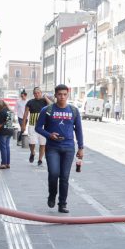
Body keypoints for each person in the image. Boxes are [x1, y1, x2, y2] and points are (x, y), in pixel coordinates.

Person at [34, 84, 84, 213]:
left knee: (64, 177)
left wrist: (81, 147)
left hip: (69, 148)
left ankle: (62, 204)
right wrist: (49, 135)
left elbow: (78, 130)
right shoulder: (48, 109)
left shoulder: (73, 110)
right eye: (59, 94)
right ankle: (52, 195)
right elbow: (38, 128)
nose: (62, 97)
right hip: (52, 148)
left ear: (68, 95)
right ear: (55, 95)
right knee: (54, 173)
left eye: (64, 94)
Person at [24, 87, 49, 165]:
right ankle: (32, 152)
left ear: (41, 93)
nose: (37, 94)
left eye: (38, 93)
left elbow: (52, 105)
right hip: (32, 125)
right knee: (32, 142)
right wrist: (23, 124)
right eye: (35, 93)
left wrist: (45, 97)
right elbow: (26, 113)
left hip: (43, 126)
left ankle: (40, 159)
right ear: (33, 94)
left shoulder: (45, 101)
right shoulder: (30, 102)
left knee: (42, 143)